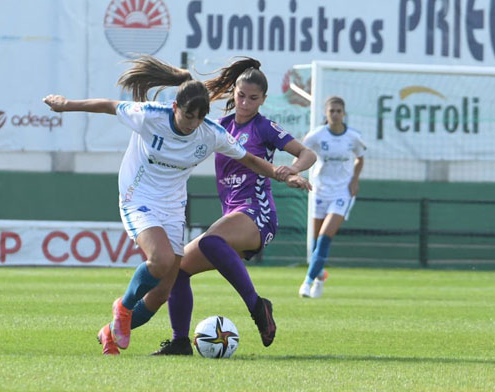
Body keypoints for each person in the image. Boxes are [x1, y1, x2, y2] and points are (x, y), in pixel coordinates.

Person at [42, 55, 311, 355]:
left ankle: (251, 308)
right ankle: (138, 320)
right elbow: (108, 105)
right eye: (187, 117)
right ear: (175, 108)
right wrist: (65, 104)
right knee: (167, 267)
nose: (192, 125)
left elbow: (254, 159)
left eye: (198, 119)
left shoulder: (218, 132)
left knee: (186, 265)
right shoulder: (154, 116)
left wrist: (285, 174)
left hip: (210, 210)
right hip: (140, 197)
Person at [296, 96, 366, 298]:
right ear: (326, 114)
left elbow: (360, 158)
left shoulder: (353, 136)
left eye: (338, 111)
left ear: (344, 114)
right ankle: (319, 276)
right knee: (315, 243)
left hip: (342, 193)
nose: (335, 114)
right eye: (331, 111)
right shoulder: (317, 135)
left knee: (325, 238)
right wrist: (296, 173)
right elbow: (300, 153)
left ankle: (306, 283)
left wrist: (354, 180)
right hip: (319, 191)